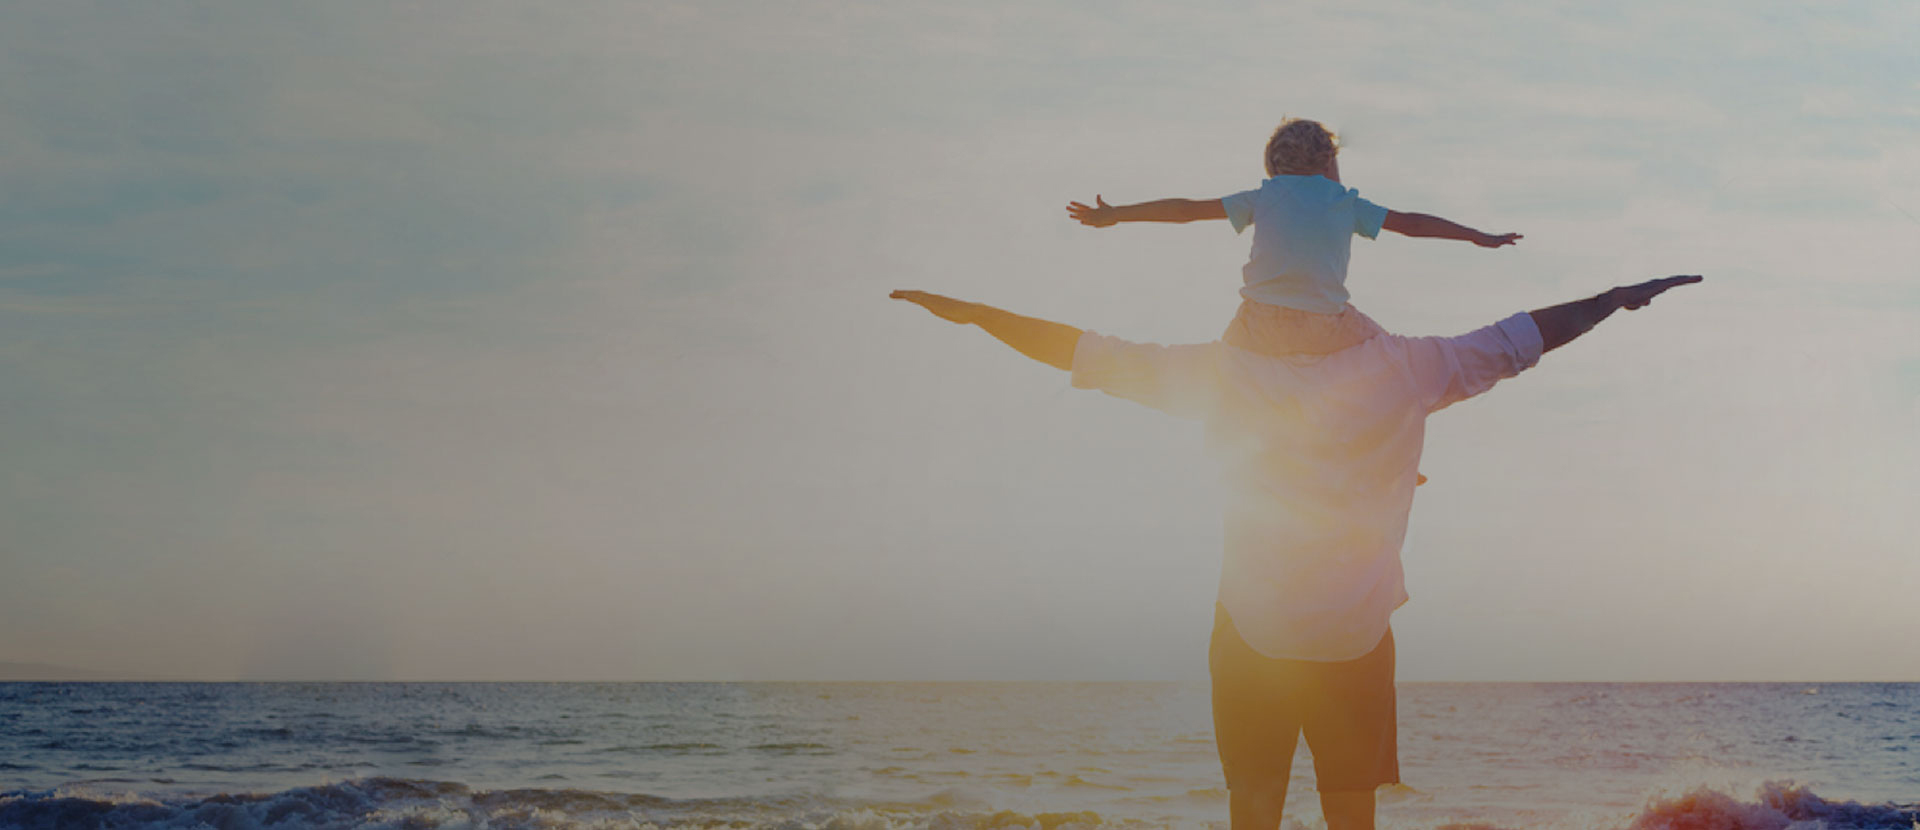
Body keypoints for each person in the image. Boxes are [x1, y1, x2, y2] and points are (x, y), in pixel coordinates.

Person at [890, 274, 1701, 830]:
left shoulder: (1223, 371)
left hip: (1251, 633)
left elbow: (1086, 353)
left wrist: (979, 314)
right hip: (1356, 633)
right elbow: (1525, 337)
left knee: (1255, 808)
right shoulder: (1408, 365)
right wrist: (1611, 300)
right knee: (1350, 812)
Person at [1066, 118, 1522, 358]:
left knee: (1226, 375)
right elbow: (1413, 223)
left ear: (1273, 166)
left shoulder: (1263, 196)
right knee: (1390, 361)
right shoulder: (1344, 202)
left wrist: (1117, 215)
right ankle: (1390, 439)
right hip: (1327, 324)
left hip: (1259, 322)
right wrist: (1477, 236)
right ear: (1328, 163)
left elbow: (1185, 211)